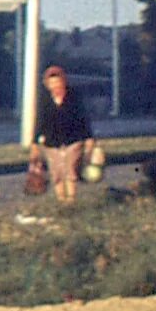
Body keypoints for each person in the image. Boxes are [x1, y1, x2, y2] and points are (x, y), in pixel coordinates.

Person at [33, 64, 98, 205]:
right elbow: (39, 121)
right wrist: (35, 142)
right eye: (52, 83)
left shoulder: (73, 97)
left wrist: (89, 138)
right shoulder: (44, 99)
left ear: (63, 81)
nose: (55, 86)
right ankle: (61, 201)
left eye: (58, 82)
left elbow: (83, 118)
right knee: (56, 173)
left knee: (70, 170)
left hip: (73, 139)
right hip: (51, 141)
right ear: (47, 84)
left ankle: (71, 200)